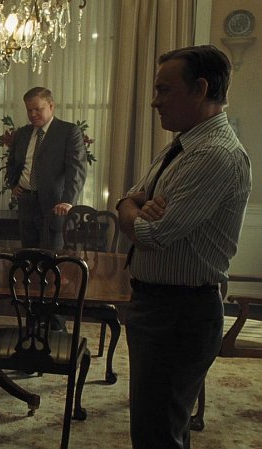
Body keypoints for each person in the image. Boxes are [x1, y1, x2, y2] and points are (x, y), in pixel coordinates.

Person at [117, 45, 251, 449]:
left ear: (200, 89)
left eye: (164, 89)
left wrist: (131, 211)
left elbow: (154, 234)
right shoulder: (184, 144)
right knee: (161, 427)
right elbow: (130, 198)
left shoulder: (214, 154)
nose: (154, 101)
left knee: (157, 434)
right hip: (161, 308)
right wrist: (132, 207)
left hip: (179, 314)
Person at [5, 87, 87, 250]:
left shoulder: (68, 132)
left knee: (51, 257)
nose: (33, 114)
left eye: (38, 109)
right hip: (26, 203)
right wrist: (13, 184)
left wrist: (67, 201)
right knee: (27, 255)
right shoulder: (22, 133)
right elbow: (12, 162)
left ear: (51, 106)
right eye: (29, 110)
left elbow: (76, 169)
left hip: (54, 206)